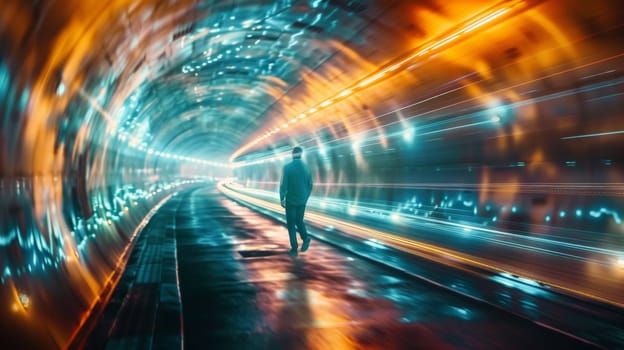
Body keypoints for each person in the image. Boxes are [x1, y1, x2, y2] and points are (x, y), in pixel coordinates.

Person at [280, 146, 313, 256]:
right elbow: (310, 185)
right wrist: (305, 197)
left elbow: (284, 184)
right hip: (302, 201)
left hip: (291, 201)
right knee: (299, 221)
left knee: (291, 224)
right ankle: (305, 238)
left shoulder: (287, 167)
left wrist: (282, 198)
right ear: (301, 154)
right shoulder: (307, 168)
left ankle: (294, 248)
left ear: (292, 155)